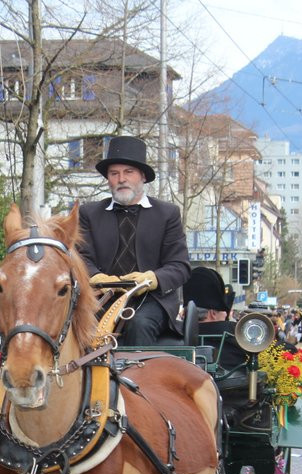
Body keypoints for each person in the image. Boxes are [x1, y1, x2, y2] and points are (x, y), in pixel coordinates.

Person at [77, 135, 191, 346]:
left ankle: (136, 378)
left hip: (151, 300)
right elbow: (81, 257)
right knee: (77, 325)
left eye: (128, 172)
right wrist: (98, 277)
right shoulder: (89, 213)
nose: (121, 179)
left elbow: (180, 266)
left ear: (142, 177)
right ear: (108, 179)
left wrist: (152, 278)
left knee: (138, 323)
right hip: (102, 298)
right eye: (114, 173)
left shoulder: (167, 214)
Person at [182, 267, 247, 374]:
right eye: (223, 311)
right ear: (212, 313)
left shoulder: (172, 340)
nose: (226, 314)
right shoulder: (236, 340)